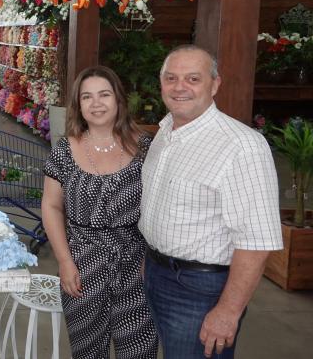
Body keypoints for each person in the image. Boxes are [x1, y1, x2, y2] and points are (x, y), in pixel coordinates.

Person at [139, 45, 283, 359]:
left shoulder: (241, 146)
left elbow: (256, 241)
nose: (180, 87)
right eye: (171, 77)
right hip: (156, 273)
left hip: (200, 290)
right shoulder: (165, 133)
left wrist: (229, 311)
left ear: (215, 84)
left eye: (193, 78)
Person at [42, 66, 158, 358]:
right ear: (78, 106)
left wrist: (154, 257)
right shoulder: (64, 151)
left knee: (139, 349)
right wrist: (65, 262)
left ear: (118, 100)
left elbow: (161, 207)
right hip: (82, 265)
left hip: (136, 266)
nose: (96, 103)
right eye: (87, 97)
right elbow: (52, 206)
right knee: (88, 351)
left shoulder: (146, 147)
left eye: (104, 94)